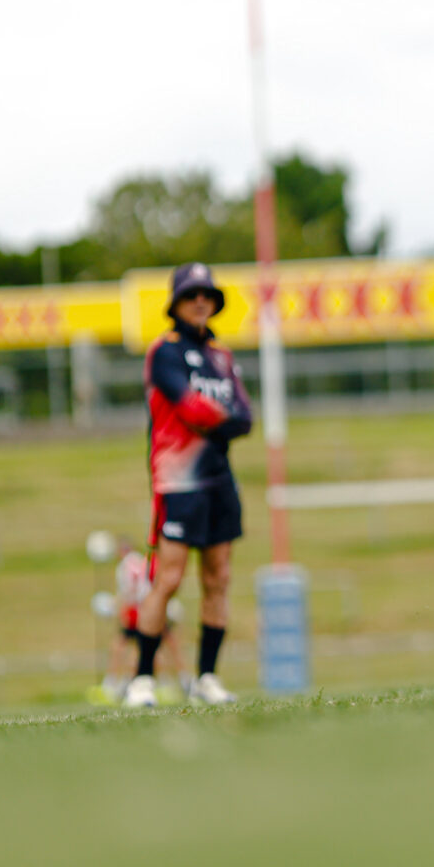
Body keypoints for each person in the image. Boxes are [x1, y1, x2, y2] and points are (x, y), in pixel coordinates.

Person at [124, 262, 254, 708]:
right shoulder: (164, 352)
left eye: (207, 294)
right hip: (178, 481)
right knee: (169, 579)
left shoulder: (221, 356)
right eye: (191, 294)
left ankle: (207, 679)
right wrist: (222, 418)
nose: (200, 301)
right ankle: (142, 679)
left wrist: (220, 418)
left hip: (219, 478)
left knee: (219, 578)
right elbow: (191, 408)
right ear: (176, 302)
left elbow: (246, 417)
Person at [102, 539, 188, 703]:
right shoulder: (141, 560)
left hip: (138, 609)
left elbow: (129, 591)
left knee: (137, 645)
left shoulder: (125, 566)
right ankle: (173, 680)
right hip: (151, 607)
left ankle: (123, 681)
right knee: (159, 644)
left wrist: (116, 607)